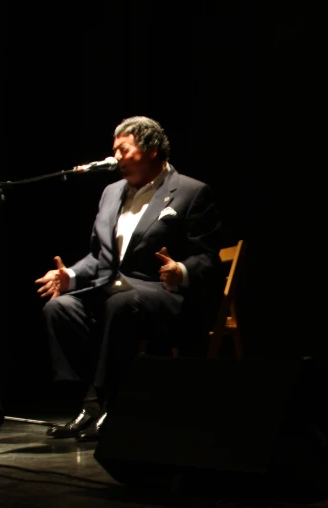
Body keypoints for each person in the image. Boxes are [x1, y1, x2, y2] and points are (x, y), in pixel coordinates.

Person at [34, 116, 224, 442]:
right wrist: (71, 276)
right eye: (114, 151)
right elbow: (99, 257)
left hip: (163, 296)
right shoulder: (110, 193)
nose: (116, 158)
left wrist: (181, 270)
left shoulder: (191, 191)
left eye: (124, 150)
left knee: (120, 305)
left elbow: (208, 257)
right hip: (114, 294)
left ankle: (108, 407)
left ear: (151, 149)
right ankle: (96, 401)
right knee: (60, 307)